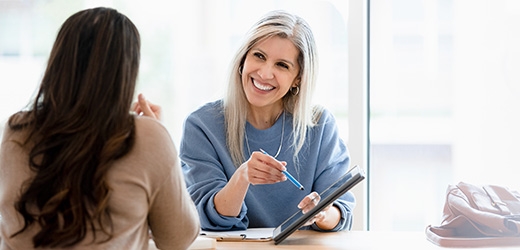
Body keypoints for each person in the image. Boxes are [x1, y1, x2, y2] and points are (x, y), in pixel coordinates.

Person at [0, 7, 199, 249]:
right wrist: (159, 136)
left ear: (57, 64)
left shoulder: (17, 130)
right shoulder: (147, 136)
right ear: (125, 73)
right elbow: (178, 239)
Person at [179, 10, 356, 231]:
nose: (265, 73)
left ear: (297, 79)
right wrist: (243, 177)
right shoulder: (202, 126)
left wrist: (322, 212)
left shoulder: (320, 125)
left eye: (282, 65)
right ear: (243, 59)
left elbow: (340, 212)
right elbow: (208, 217)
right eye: (259, 56)